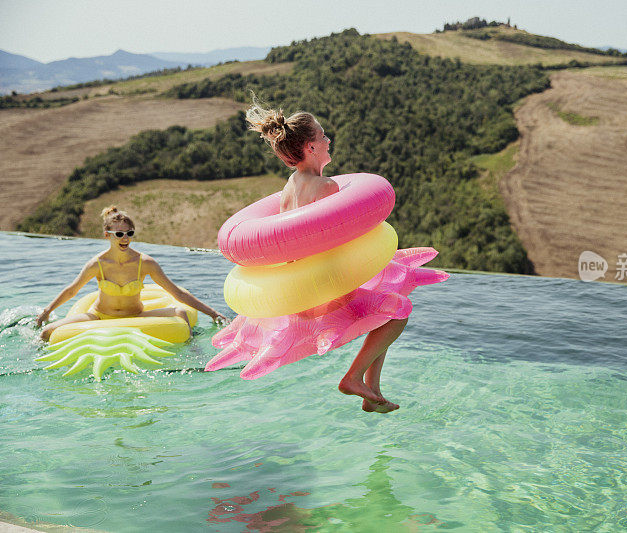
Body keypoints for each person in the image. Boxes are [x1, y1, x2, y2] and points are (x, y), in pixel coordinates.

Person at [246, 102, 405, 413]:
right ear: (311, 146)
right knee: (398, 313)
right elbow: (339, 246)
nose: (328, 139)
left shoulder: (290, 186)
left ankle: (371, 391)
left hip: (301, 295)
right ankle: (353, 378)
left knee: (385, 303)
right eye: (322, 135)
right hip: (321, 294)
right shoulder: (326, 187)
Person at [36, 206, 227, 341]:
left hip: (136, 316)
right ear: (107, 235)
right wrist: (46, 312)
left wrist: (213, 313)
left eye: (129, 233)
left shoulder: (145, 263)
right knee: (47, 333)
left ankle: (193, 351)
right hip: (99, 316)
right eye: (119, 234)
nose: (125, 238)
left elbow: (177, 293)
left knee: (181, 312)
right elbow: (71, 291)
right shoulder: (97, 264)